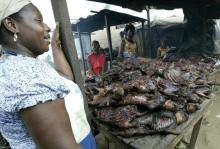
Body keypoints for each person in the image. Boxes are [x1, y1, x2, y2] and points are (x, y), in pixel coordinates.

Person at [0, 1, 96, 149]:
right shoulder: (29, 75)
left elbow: (65, 79)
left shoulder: (12, 65)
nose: (47, 27)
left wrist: (55, 46)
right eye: (39, 21)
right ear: (11, 25)